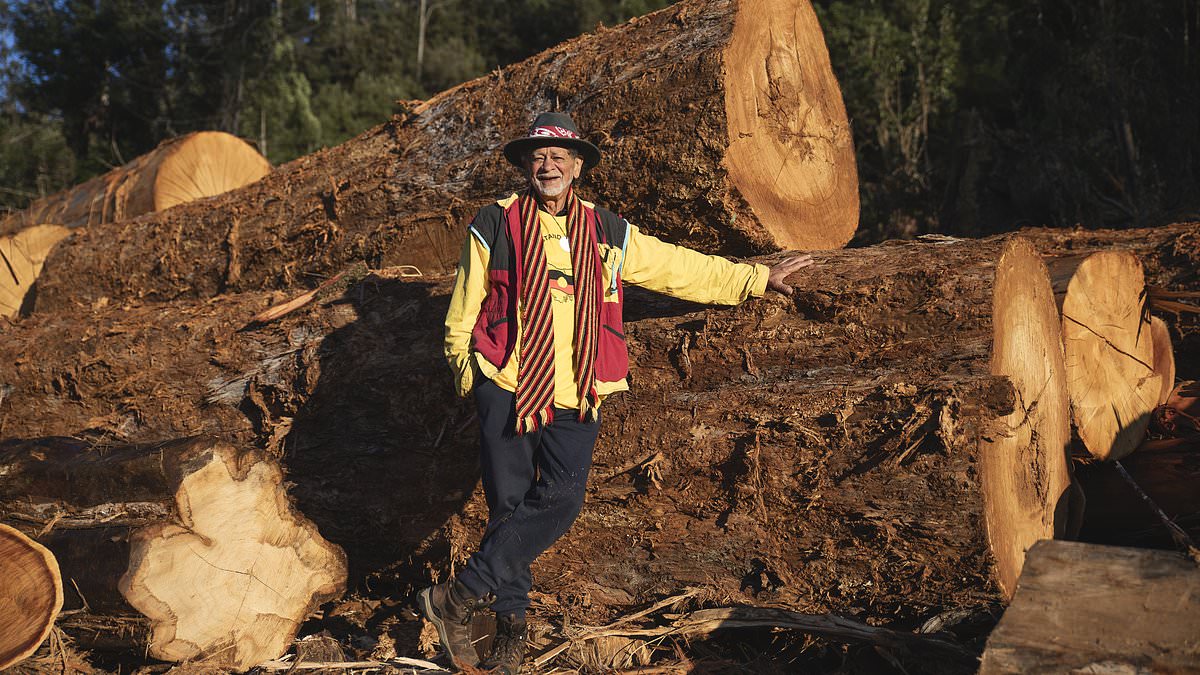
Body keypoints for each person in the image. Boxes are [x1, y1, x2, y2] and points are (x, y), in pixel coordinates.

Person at [420, 112, 814, 673]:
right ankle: (509, 638)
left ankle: (453, 599)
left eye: (560, 157)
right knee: (509, 508)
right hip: (507, 381)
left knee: (561, 499)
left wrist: (752, 279)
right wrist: (470, 372)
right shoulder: (494, 222)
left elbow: (675, 267)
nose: (548, 165)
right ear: (525, 166)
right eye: (538, 156)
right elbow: (465, 304)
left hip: (579, 387)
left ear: (577, 166)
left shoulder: (606, 230)